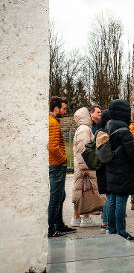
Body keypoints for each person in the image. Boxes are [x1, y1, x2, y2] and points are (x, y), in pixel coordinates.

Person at [105, 99, 134, 240]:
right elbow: (131, 152)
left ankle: (111, 229)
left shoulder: (109, 124)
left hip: (111, 167)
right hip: (123, 170)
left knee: (112, 200)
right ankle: (121, 231)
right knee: (120, 200)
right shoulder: (123, 128)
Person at [48, 96, 76, 237]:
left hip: (57, 164)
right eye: (63, 108)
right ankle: (51, 228)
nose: (65, 111)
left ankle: (59, 224)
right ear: (56, 108)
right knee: (55, 196)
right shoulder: (52, 123)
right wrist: (63, 159)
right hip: (56, 165)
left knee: (61, 195)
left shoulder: (54, 121)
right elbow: (53, 148)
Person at [71, 107, 100, 228]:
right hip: (85, 167)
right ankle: (85, 218)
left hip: (81, 167)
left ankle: (77, 217)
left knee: (80, 192)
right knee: (85, 192)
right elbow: (84, 150)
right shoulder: (85, 129)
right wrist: (86, 168)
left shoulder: (82, 128)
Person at [95, 110, 110, 233]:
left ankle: (104, 220)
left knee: (107, 196)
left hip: (100, 168)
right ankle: (105, 221)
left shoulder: (97, 131)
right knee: (109, 196)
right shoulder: (104, 133)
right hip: (106, 168)